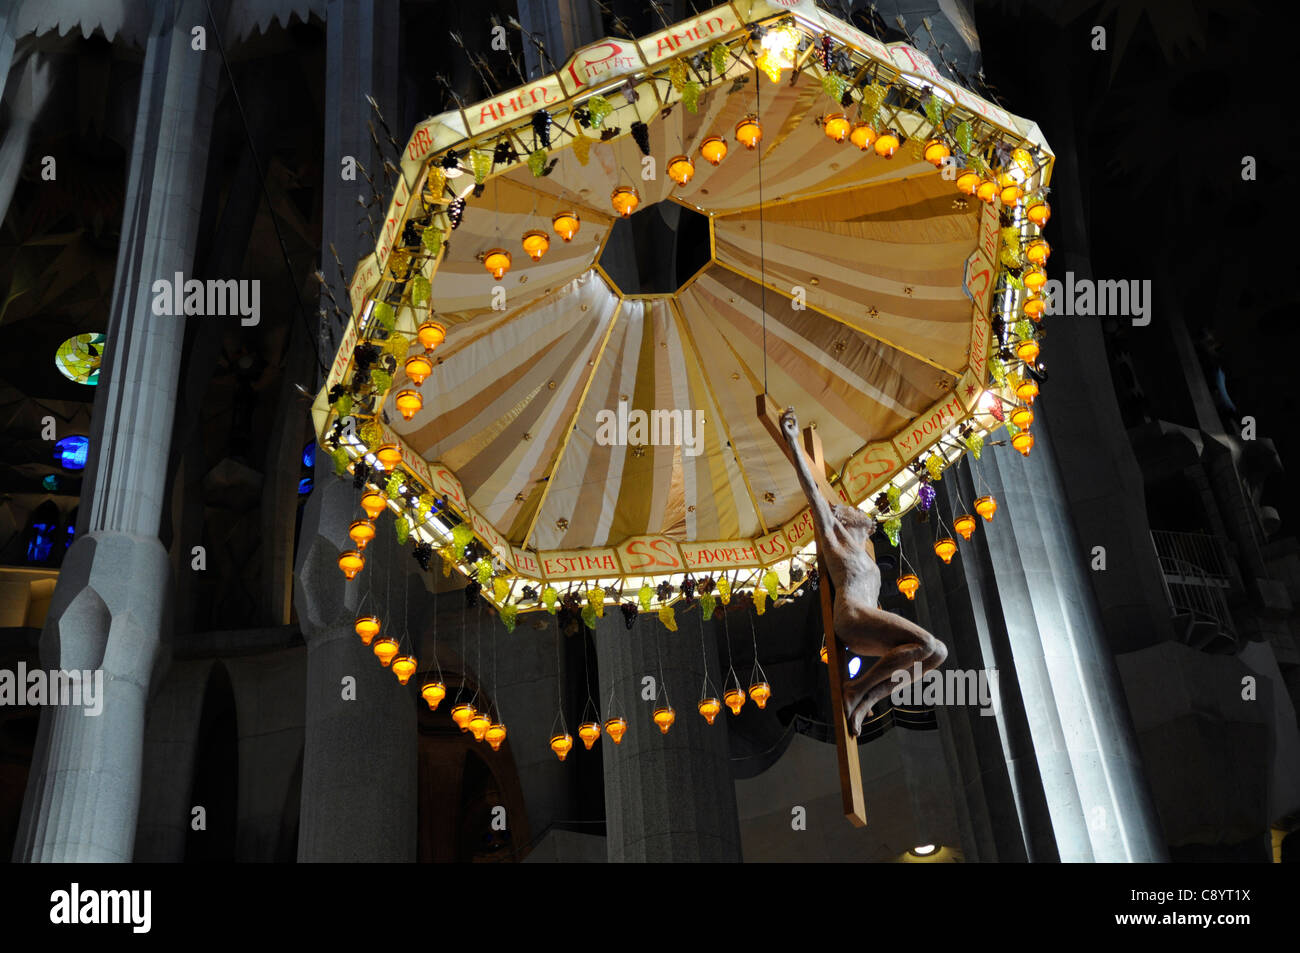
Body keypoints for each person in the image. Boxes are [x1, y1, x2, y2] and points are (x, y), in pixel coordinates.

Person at [780, 408, 947, 736]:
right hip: (852, 616)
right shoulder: (834, 540)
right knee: (927, 643)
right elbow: (814, 493)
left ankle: (869, 694)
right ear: (846, 519)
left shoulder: (866, 554)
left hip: (867, 620)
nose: (862, 514)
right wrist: (793, 442)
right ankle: (857, 690)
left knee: (937, 652)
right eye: (853, 511)